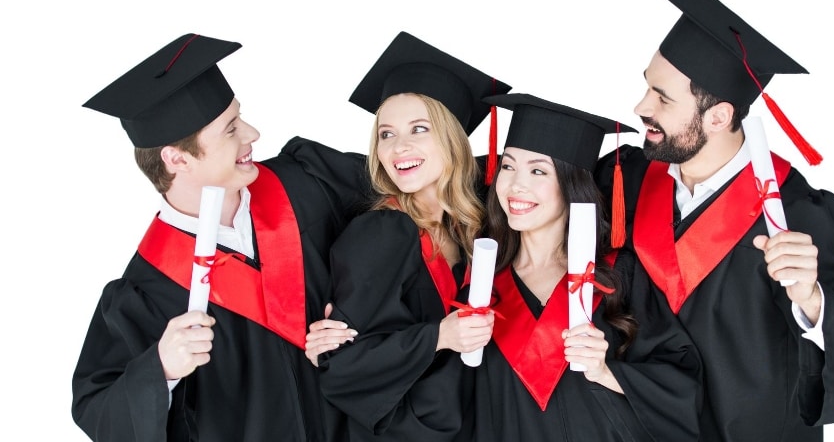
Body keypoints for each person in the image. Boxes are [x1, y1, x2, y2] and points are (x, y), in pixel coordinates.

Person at [594, 0, 834, 441]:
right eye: (648, 86)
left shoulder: (797, 214)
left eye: (661, 97)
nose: (641, 107)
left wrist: (813, 300)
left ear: (719, 116)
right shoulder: (624, 179)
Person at [71, 33, 371, 441]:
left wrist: (363, 307)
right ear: (178, 159)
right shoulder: (148, 289)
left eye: (240, 117)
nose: (252, 133)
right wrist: (160, 370)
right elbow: (99, 411)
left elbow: (419, 199)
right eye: (231, 129)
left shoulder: (306, 183)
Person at [311, 31, 511, 441]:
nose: (399, 147)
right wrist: (440, 336)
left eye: (419, 129)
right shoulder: (381, 231)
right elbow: (343, 364)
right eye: (386, 134)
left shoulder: (470, 220)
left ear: (452, 138)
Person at [472, 93, 703, 442]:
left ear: (571, 185)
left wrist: (606, 370)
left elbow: (681, 381)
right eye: (508, 166)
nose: (516, 185)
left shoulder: (618, 274)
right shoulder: (479, 280)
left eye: (538, 170)